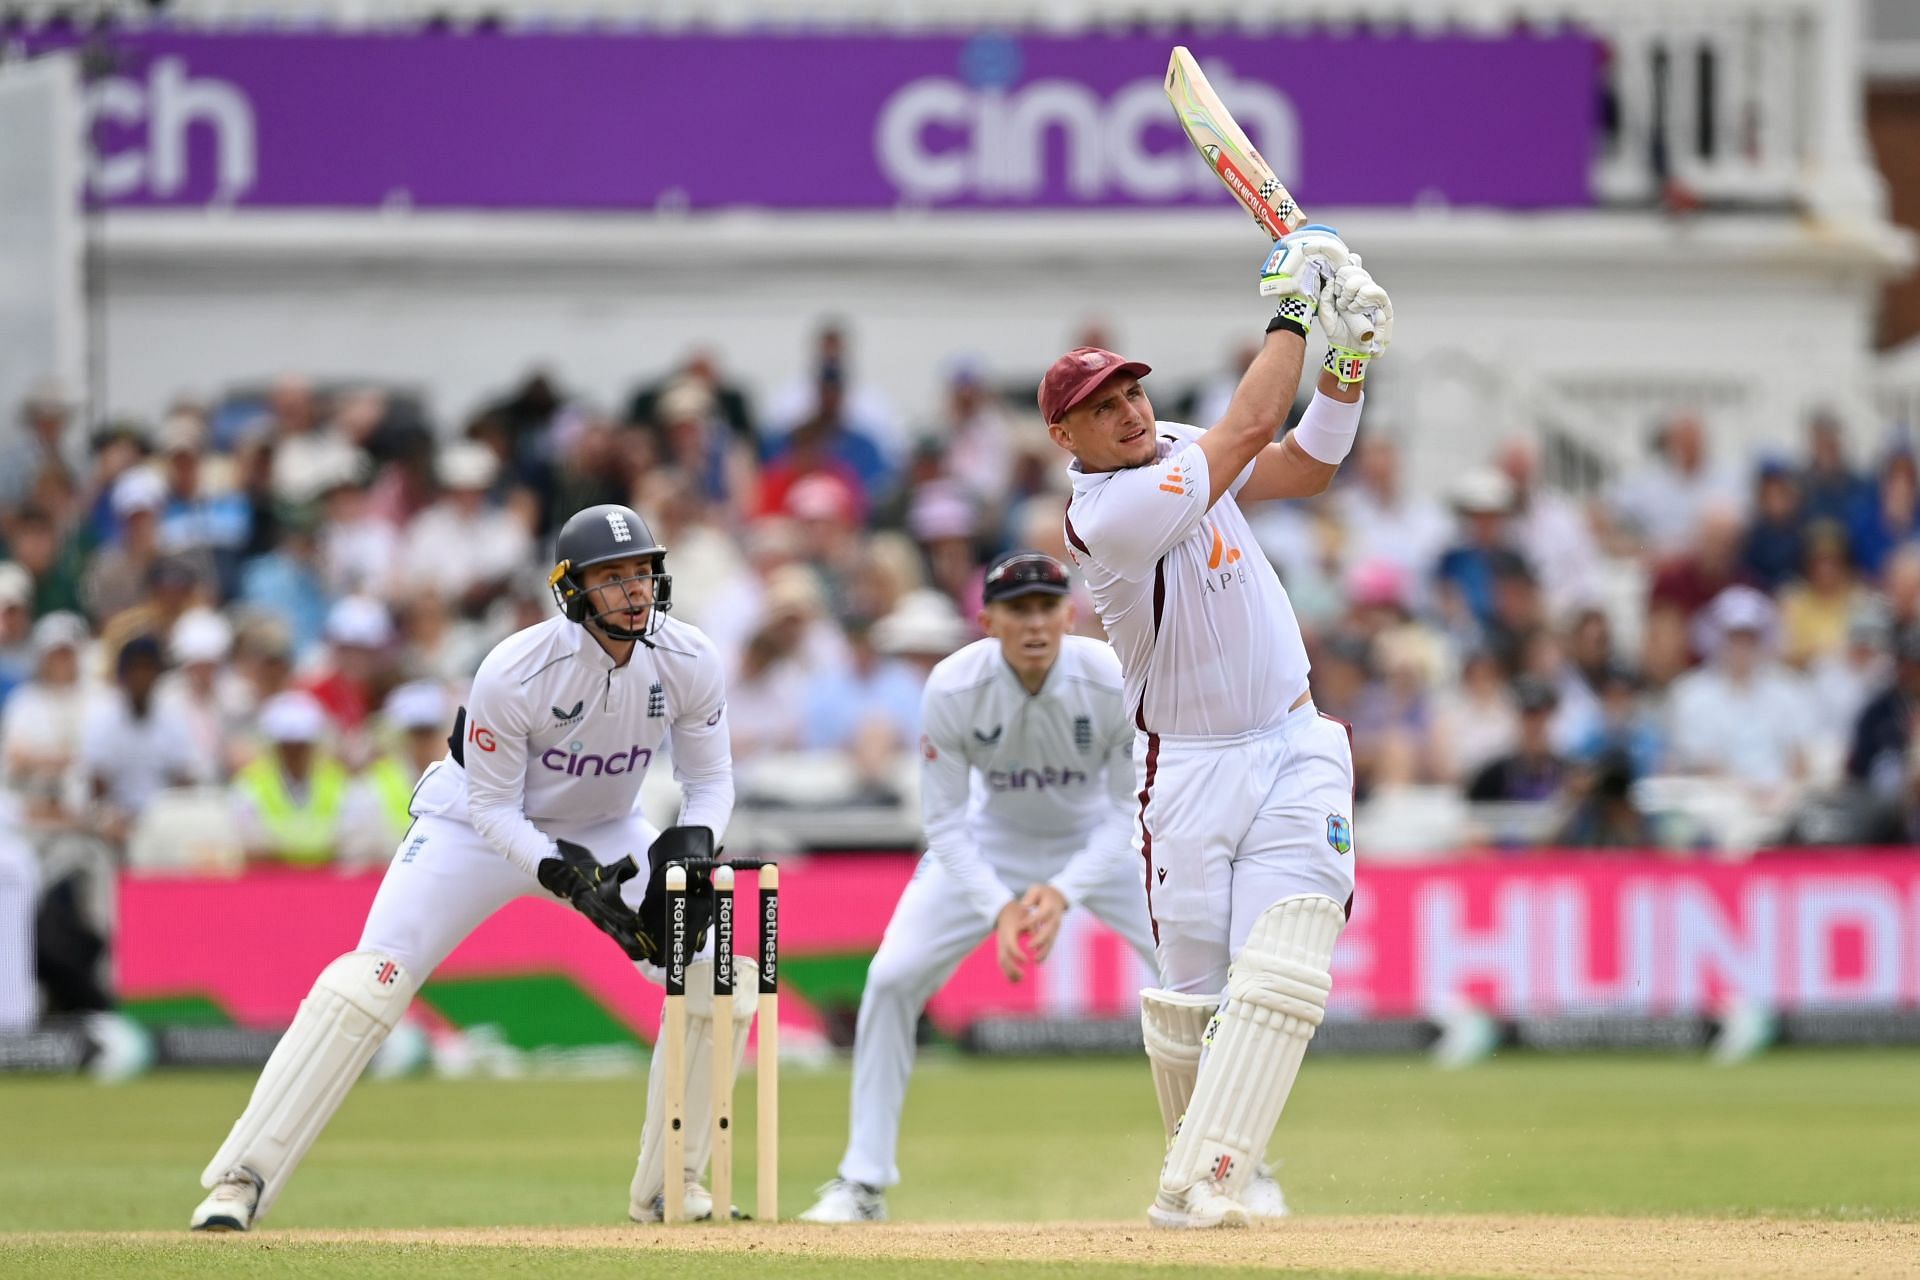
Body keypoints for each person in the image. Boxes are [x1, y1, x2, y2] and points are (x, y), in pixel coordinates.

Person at [189, 503, 739, 1231]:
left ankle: (673, 1185)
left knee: (710, 964)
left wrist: (694, 842)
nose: (635, 593)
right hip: (472, 829)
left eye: (642, 574)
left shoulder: (689, 655)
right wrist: (562, 874)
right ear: (571, 590)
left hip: (606, 827)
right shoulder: (515, 669)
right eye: (613, 579)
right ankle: (239, 1180)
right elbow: (493, 811)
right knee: (370, 981)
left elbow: (710, 782)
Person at [1047, 227, 1390, 1228]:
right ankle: (1205, 1175)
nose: (1129, 413)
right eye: (1101, 409)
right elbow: (1247, 434)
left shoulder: (1182, 443)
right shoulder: (1108, 513)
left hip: (1293, 741)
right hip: (1187, 768)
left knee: (1283, 965)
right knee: (1194, 996)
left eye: (1132, 394)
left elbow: (1304, 463)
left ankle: (1217, 1171)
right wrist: (1292, 308)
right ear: (1066, 439)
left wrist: (1351, 357)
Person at [799, 551, 1160, 1224]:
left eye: (1046, 607)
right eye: (1017, 610)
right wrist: (1000, 906)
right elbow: (943, 823)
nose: (1034, 624)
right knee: (892, 978)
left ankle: (1230, 1167)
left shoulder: (1109, 678)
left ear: (1070, 614)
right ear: (986, 621)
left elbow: (1124, 812)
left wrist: (1061, 893)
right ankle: (862, 1182)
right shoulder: (953, 686)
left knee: (1192, 979)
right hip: (988, 841)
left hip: (1096, 844)